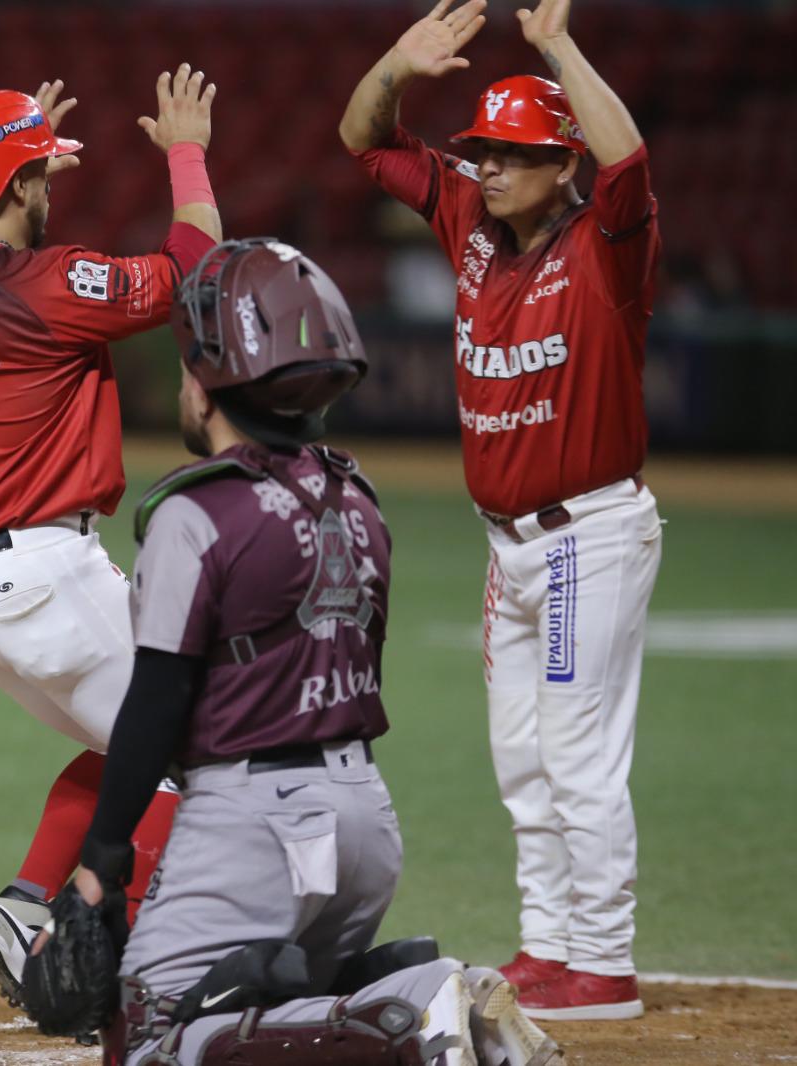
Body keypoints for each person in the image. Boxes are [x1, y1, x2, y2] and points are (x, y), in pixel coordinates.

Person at [45, 237, 561, 1066]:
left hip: (253, 823)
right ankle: (420, 1009)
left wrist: (101, 860)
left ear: (214, 374)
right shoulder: (358, 498)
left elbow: (157, 698)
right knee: (278, 1019)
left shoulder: (194, 514)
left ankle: (416, 1004)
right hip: (366, 817)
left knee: (148, 1042)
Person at [339, 0, 662, 1020]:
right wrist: (397, 61)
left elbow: (629, 166)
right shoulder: (467, 225)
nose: (487, 167)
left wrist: (558, 47)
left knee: (575, 752)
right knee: (522, 760)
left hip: (586, 534)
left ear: (561, 164)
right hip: (507, 546)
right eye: (480, 149)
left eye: (514, 154)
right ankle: (549, 942)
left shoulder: (606, 247)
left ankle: (602, 961)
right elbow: (362, 138)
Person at [0, 69, 222, 1005]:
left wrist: (18, 151)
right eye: (39, 176)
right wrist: (186, 153)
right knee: (208, 753)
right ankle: (111, 959)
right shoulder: (42, 285)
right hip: (44, 575)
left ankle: (26, 902)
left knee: (130, 748)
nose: (48, 189)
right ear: (12, 185)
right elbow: (195, 267)